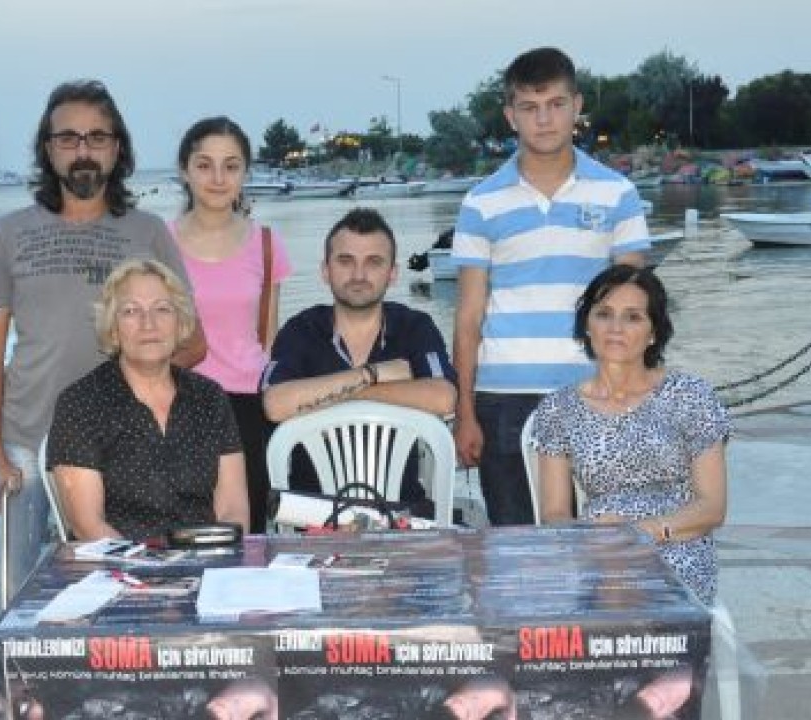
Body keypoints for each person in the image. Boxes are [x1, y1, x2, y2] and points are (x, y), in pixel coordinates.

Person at [0, 80, 205, 602]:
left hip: (121, 447)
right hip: (25, 440)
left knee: (118, 588)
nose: (83, 150)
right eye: (68, 138)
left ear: (117, 148)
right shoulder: (9, 233)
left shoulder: (147, 232)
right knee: (10, 595)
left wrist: (134, 383)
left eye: (97, 137)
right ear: (48, 148)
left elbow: (192, 344)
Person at [450, 46, 651, 526]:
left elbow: (636, 309)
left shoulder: (618, 194)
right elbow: (468, 317)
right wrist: (465, 411)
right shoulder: (480, 203)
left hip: (596, 390)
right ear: (510, 116)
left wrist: (635, 394)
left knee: (604, 540)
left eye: (556, 104)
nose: (544, 119)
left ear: (576, 107)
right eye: (530, 107)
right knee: (516, 542)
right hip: (502, 397)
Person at [530, 265, 730, 604]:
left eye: (633, 317)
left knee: (629, 596)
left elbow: (713, 507)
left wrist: (643, 532)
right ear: (587, 325)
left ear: (653, 332)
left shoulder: (691, 395)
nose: (616, 328)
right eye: (604, 314)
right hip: (599, 546)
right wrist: (593, 536)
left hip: (676, 541)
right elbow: (555, 514)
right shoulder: (558, 408)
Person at [261, 207, 457, 510]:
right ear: (325, 271)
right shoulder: (301, 330)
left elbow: (444, 398)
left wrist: (337, 395)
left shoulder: (414, 327)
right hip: (313, 515)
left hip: (403, 515)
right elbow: (275, 405)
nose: (359, 275)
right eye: (345, 261)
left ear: (393, 273)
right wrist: (370, 374)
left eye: (374, 262)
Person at [46, 259, 248, 541]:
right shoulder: (80, 403)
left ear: (180, 324)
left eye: (162, 309)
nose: (148, 324)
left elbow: (233, 509)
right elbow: (89, 526)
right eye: (131, 311)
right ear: (113, 329)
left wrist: (215, 558)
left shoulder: (210, 398)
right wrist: (144, 567)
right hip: (118, 564)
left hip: (207, 557)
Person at [169, 116, 293, 534]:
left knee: (248, 533)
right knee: (183, 532)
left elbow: (268, 337)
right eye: (205, 165)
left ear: (245, 173)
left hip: (249, 408)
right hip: (179, 404)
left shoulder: (267, 243)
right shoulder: (160, 243)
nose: (218, 178)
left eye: (231, 165)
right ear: (185, 171)